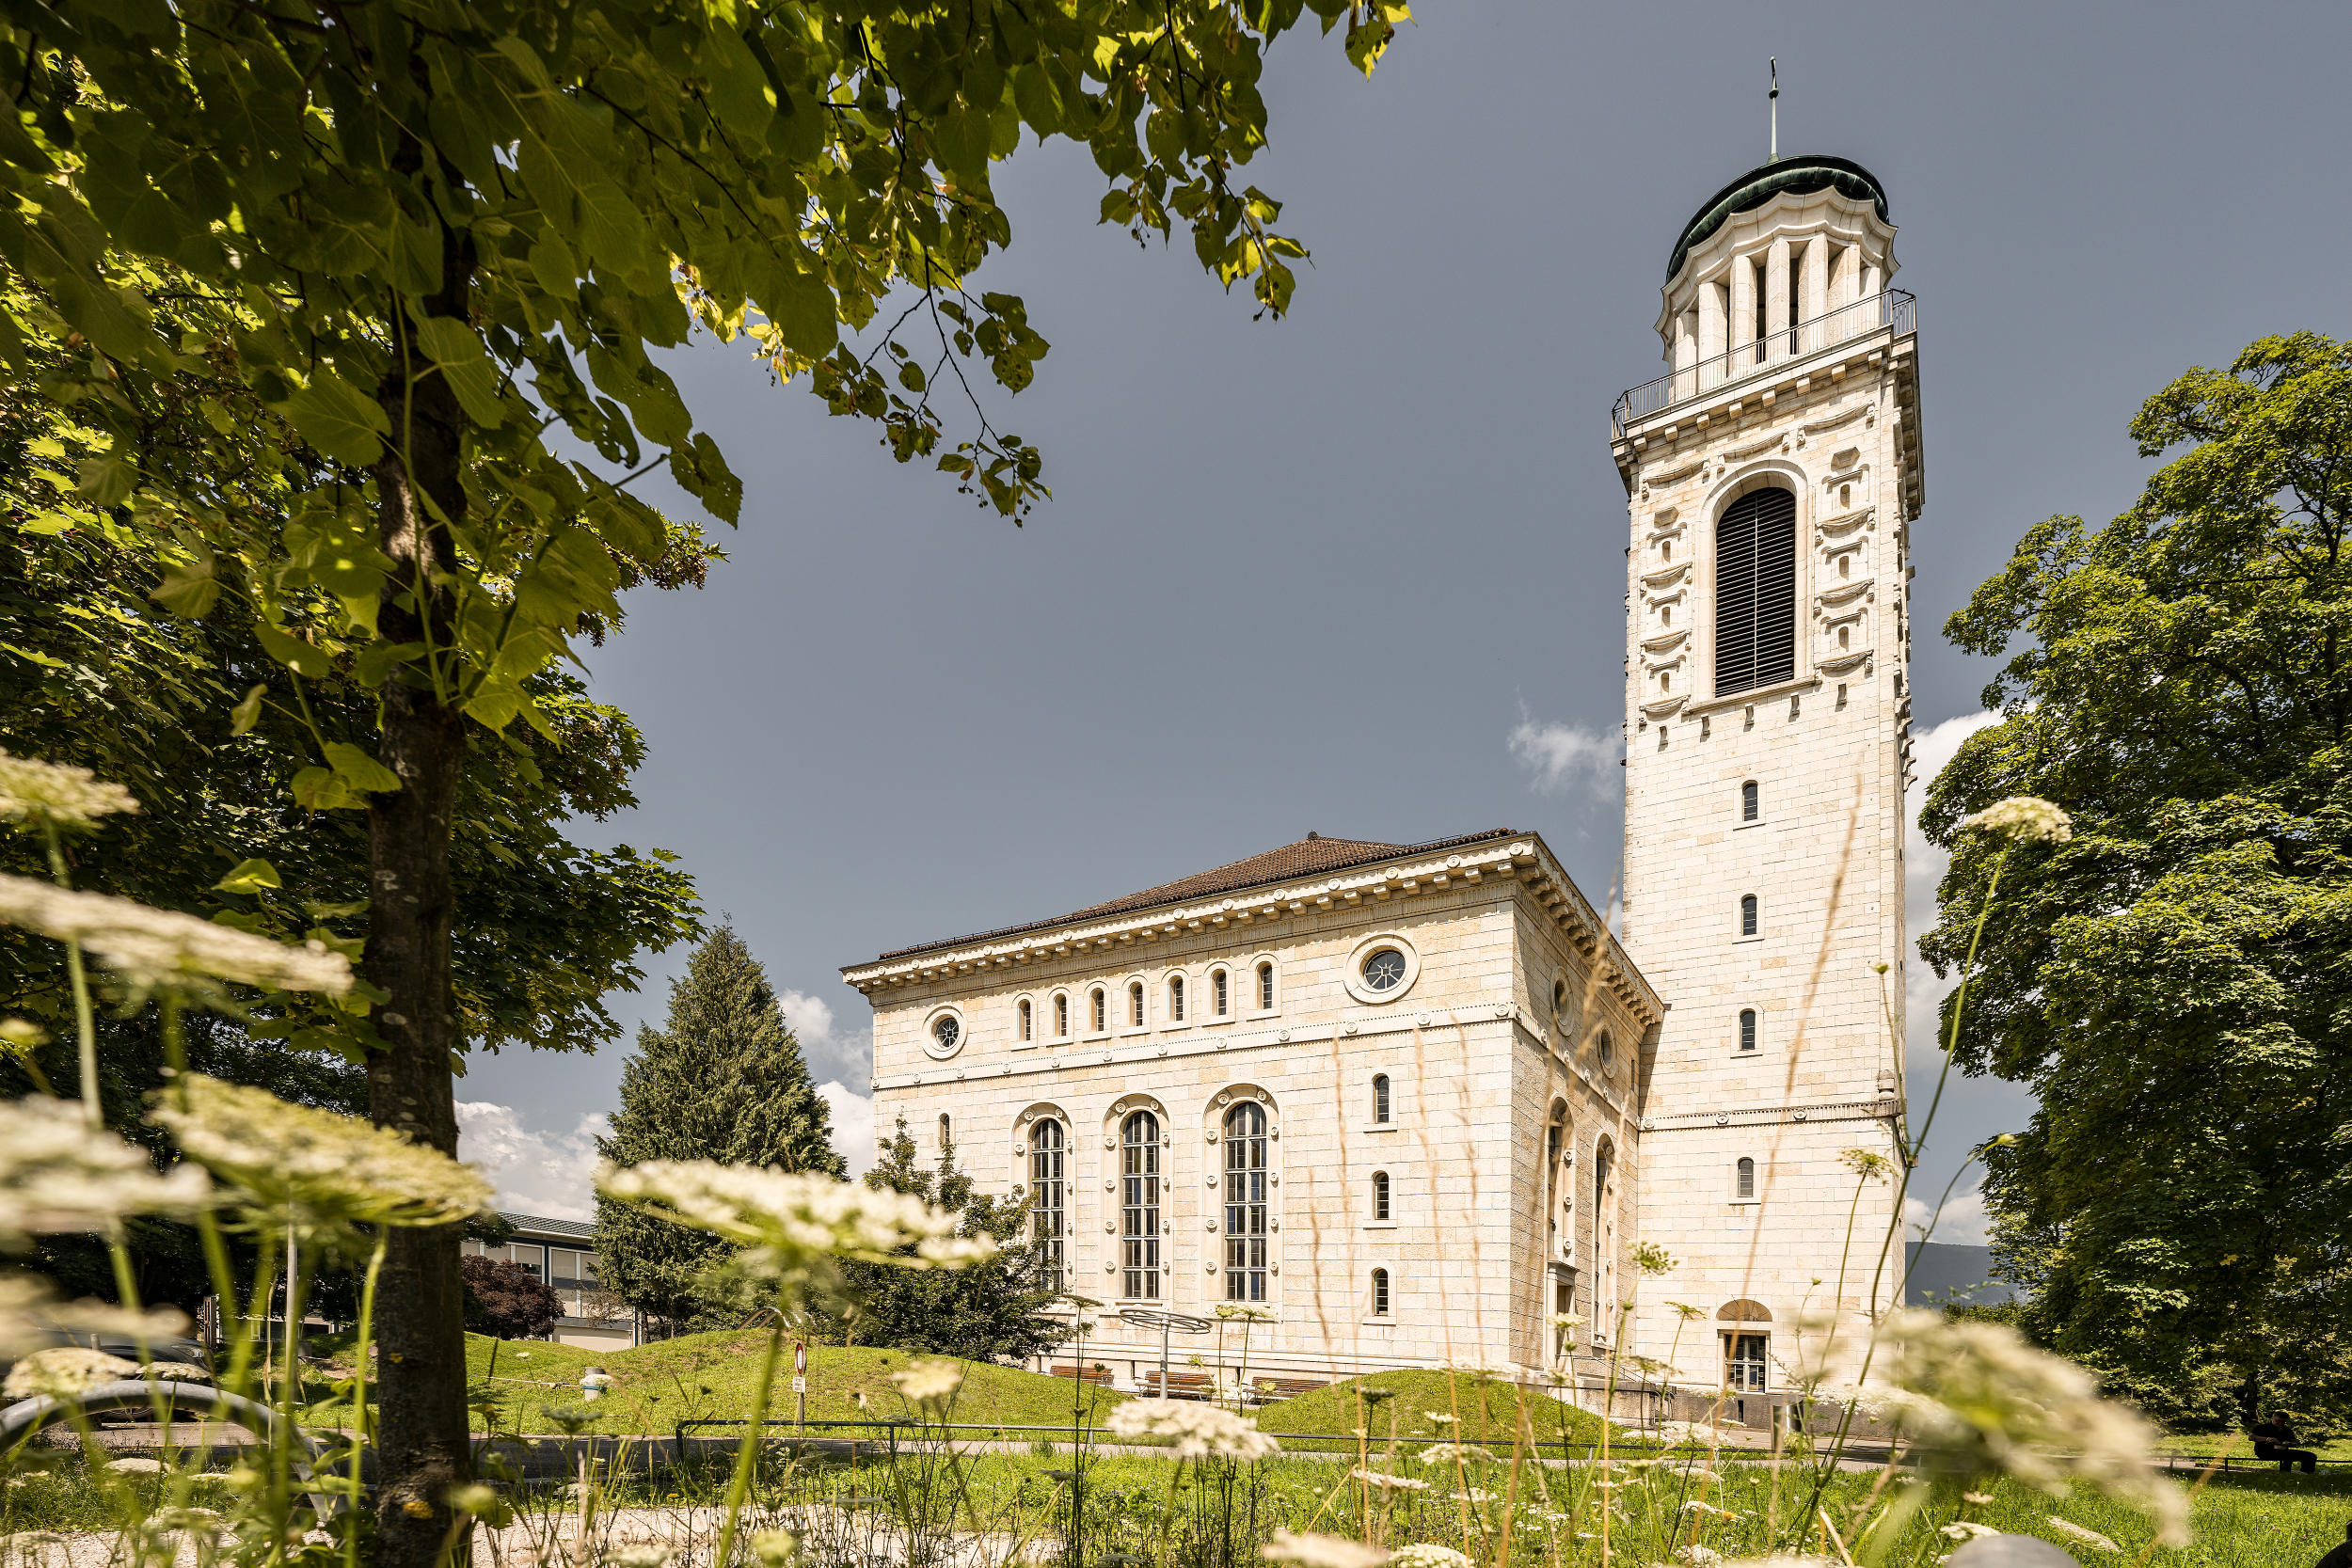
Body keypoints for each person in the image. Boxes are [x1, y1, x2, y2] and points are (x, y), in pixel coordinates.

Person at [2251, 1409, 2318, 1474]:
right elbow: (2251, 1437)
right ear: (2272, 1418)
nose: (2280, 1423)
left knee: (2310, 1456)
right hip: (2264, 1451)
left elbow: (2295, 1443)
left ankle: (2306, 1473)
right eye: (2278, 1421)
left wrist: (2288, 1443)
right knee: (2288, 1455)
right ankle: (2285, 1473)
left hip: (2283, 1451)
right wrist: (2267, 1439)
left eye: (2283, 1422)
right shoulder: (2262, 1427)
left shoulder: (2287, 1430)